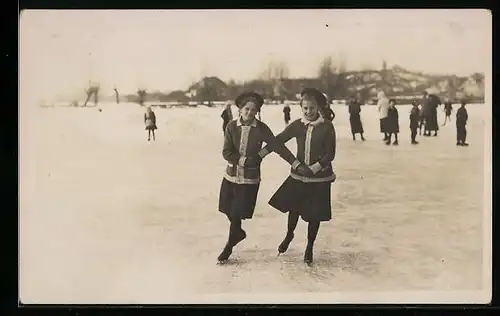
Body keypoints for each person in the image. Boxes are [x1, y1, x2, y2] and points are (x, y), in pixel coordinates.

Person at [217, 92, 305, 265]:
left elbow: (277, 146)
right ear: (240, 110)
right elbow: (226, 152)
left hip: (249, 180)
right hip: (231, 176)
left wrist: (294, 163)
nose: (249, 113)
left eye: (253, 110)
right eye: (246, 109)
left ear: (257, 112)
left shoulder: (261, 128)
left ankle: (229, 244)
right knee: (227, 209)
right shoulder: (231, 127)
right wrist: (244, 160)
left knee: (236, 213)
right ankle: (238, 234)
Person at [258, 88, 336, 266]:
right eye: (306, 108)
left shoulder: (326, 126)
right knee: (294, 208)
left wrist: (315, 168)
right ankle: (289, 234)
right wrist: (262, 154)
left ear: (319, 108)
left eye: (312, 108)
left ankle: (309, 246)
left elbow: (330, 154)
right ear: (301, 108)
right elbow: (278, 140)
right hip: (298, 175)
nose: (309, 112)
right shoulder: (297, 125)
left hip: (319, 178)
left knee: (314, 215)